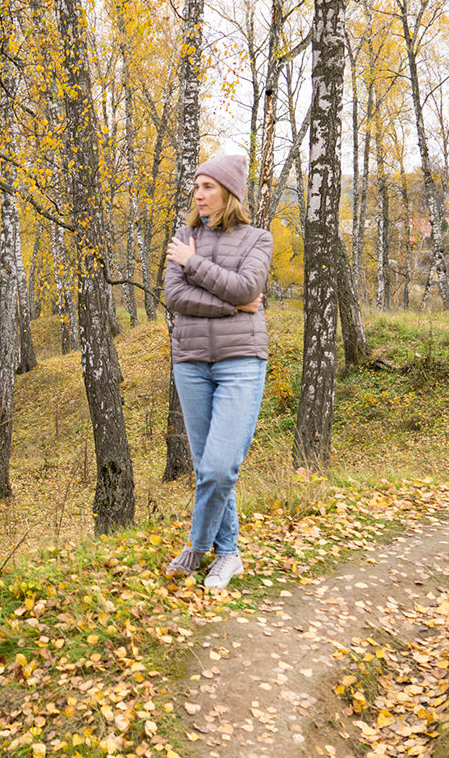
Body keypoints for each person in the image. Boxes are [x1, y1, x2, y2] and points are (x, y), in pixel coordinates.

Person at [162, 154, 273, 590]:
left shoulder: (258, 239)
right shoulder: (183, 235)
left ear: (229, 192)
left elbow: (250, 287)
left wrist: (193, 265)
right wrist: (234, 305)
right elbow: (174, 296)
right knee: (206, 465)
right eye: (196, 186)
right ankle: (228, 554)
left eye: (207, 186)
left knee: (220, 467)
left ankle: (196, 547)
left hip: (241, 361)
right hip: (190, 363)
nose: (198, 194)